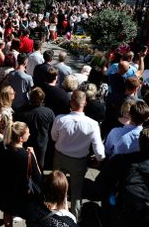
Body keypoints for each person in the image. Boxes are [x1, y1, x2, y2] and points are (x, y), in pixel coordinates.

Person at [51, 90, 105, 221]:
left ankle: (58, 211)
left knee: (58, 185)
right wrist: (99, 159)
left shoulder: (60, 119)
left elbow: (53, 137)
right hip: (79, 160)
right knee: (77, 191)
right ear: (85, 103)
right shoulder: (92, 124)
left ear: (71, 103)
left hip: (60, 156)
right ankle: (75, 218)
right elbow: (98, 148)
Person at [0, 121, 42, 227]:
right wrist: (33, 156)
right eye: (28, 133)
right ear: (21, 138)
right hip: (21, 194)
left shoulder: (2, 148)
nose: (29, 134)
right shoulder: (27, 156)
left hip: (4, 190)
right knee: (29, 217)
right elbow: (38, 177)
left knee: (7, 213)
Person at [15, 87, 55, 170]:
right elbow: (53, 127)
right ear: (42, 99)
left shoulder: (22, 111)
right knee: (39, 165)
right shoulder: (48, 112)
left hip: (26, 142)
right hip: (42, 143)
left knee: (26, 165)